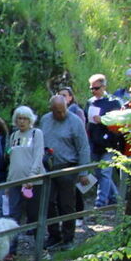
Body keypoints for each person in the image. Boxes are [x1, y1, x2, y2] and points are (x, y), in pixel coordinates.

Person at [38, 95, 91, 249]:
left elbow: (83, 147)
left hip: (68, 166)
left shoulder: (75, 121)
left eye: (63, 111)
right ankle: (54, 235)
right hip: (49, 167)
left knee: (66, 204)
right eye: (57, 112)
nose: (61, 114)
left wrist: (83, 171)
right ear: (51, 109)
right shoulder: (45, 120)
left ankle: (68, 238)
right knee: (48, 202)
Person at [4, 107, 44, 244]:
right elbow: (11, 160)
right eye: (19, 118)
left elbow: (38, 155)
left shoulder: (36, 133)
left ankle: (40, 246)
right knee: (13, 216)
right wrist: (8, 182)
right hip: (15, 181)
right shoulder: (13, 136)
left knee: (34, 215)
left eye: (25, 118)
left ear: (30, 120)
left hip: (33, 182)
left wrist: (32, 176)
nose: (22, 121)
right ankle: (12, 249)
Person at [84, 74, 122, 207]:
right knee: (99, 173)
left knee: (105, 172)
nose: (93, 91)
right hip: (94, 142)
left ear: (104, 87)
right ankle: (116, 199)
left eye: (96, 88)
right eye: (91, 88)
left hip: (109, 143)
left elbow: (118, 122)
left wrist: (103, 120)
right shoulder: (90, 102)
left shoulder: (113, 102)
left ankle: (100, 203)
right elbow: (85, 120)